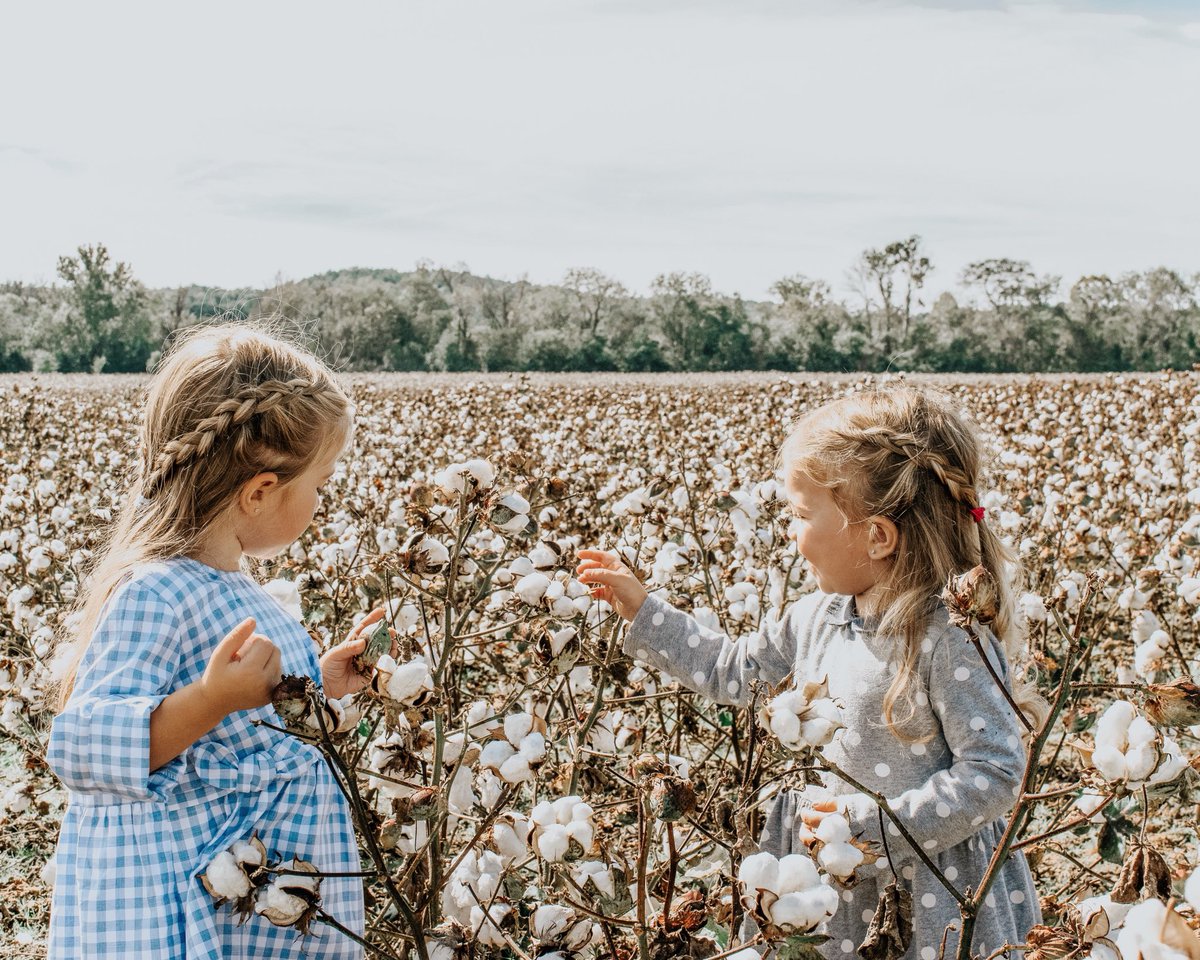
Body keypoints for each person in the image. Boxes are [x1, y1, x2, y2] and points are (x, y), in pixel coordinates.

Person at [577, 386, 1046, 958]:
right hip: (829, 886)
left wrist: (876, 831)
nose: (791, 534)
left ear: (877, 535)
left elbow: (995, 772)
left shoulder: (947, 638)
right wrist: (645, 611)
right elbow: (733, 670)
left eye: (801, 515)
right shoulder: (815, 617)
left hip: (932, 895)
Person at [47, 324, 380, 959]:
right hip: (201, 917)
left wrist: (322, 682)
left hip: (254, 913)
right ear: (260, 491)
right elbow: (85, 744)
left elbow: (252, 726)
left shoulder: (235, 588)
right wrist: (210, 699)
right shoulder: (157, 593)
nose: (322, 500)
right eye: (321, 484)